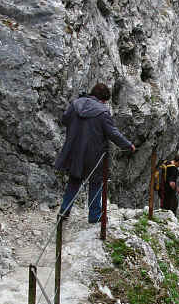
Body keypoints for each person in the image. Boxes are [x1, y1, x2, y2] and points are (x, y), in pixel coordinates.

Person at [55, 83, 135, 222]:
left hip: (74, 151)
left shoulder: (75, 104)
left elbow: (64, 120)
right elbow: (113, 133)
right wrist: (128, 145)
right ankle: (94, 215)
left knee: (74, 181)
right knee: (96, 184)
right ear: (103, 99)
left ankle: (63, 213)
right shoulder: (103, 112)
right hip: (95, 154)